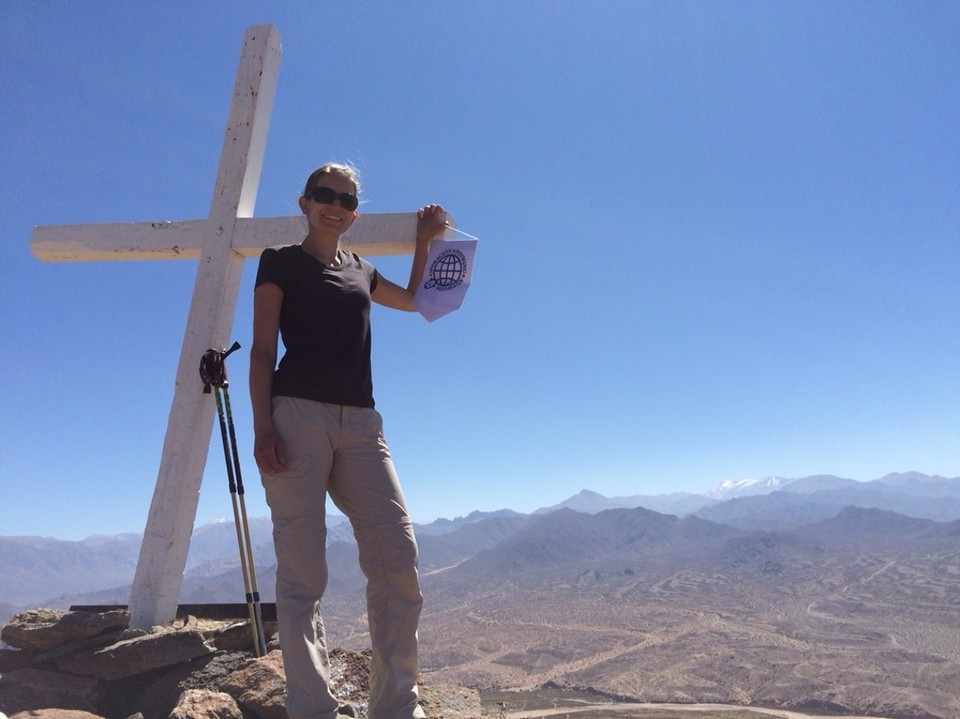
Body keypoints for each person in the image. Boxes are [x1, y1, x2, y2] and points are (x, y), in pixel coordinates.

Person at [249, 162, 446, 719]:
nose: (336, 204)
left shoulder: (362, 270)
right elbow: (263, 351)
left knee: (397, 556)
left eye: (347, 198)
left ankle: (397, 707)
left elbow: (417, 300)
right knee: (302, 573)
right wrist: (263, 425)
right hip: (295, 417)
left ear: (354, 212)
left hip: (361, 423)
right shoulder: (280, 263)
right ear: (305, 203)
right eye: (325, 194)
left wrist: (425, 241)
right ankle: (312, 708)